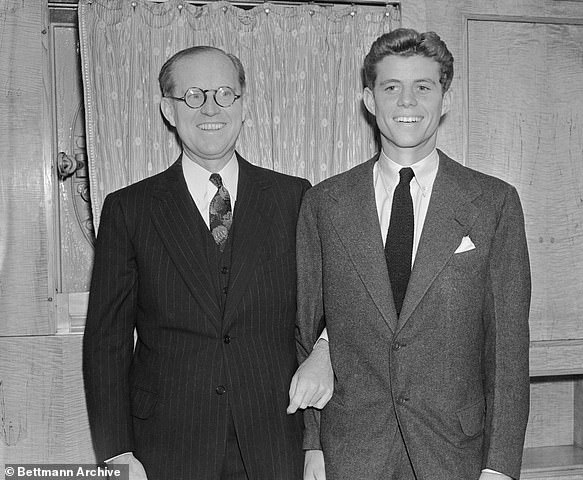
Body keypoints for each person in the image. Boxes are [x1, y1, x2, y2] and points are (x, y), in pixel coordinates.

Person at [295, 29, 531, 480]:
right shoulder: (326, 203)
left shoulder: (492, 202)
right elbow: (307, 331)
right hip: (351, 453)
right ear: (369, 99)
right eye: (391, 88)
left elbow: (507, 350)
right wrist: (313, 446)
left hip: (455, 454)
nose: (407, 102)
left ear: (444, 99)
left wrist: (499, 468)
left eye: (423, 87)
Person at [83, 45, 326, 480]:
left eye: (225, 94)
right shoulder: (128, 209)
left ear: (243, 105)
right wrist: (117, 453)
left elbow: (320, 324)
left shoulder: (294, 198)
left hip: (277, 439)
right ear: (168, 109)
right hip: (166, 446)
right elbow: (107, 341)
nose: (211, 108)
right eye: (193, 95)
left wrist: (318, 444)